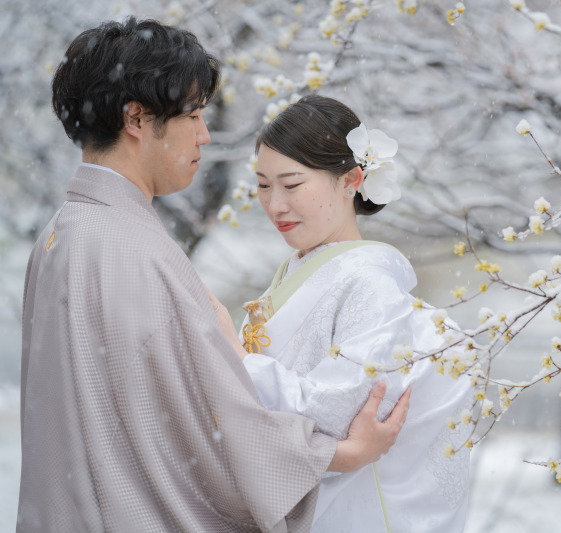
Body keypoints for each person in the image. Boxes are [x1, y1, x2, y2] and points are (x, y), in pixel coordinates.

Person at [18, 18, 409, 533]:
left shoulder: (66, 231)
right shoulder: (129, 248)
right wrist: (340, 454)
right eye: (194, 115)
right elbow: (201, 418)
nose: (204, 134)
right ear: (136, 118)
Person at [229, 95, 473, 532]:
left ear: (350, 180)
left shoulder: (371, 283)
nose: (275, 204)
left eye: (292, 184)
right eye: (264, 185)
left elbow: (335, 414)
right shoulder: (299, 270)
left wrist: (234, 362)